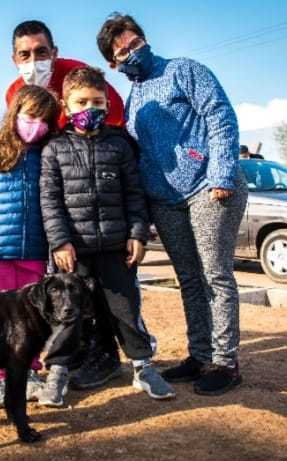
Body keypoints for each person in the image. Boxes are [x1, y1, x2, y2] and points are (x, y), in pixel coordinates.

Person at [98, 13, 248, 395]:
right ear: (113, 64)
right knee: (189, 280)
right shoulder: (132, 101)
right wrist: (146, 210)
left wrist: (222, 174)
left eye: (135, 44)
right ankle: (200, 355)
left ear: (144, 40)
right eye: (122, 52)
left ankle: (225, 363)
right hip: (165, 200)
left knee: (215, 274)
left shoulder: (184, 71)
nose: (132, 53)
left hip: (209, 188)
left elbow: (220, 116)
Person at [38, 67, 175, 406]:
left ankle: (143, 367)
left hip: (117, 248)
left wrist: (137, 234)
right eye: (81, 101)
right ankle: (57, 373)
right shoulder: (54, 148)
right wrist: (60, 241)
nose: (90, 108)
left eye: (97, 101)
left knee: (126, 310)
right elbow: (50, 200)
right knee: (68, 314)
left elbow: (134, 195)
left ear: (107, 104)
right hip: (74, 252)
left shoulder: (120, 146)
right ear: (65, 106)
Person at [0, 85, 58, 408]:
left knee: (32, 320)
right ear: (15, 113)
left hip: (35, 255)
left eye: (45, 119)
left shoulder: (49, 154)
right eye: (32, 115)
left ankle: (30, 374)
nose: (38, 124)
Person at [6, 20, 124, 128]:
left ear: (54, 54)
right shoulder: (13, 93)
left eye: (41, 52)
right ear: (15, 60)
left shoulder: (78, 73)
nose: (33, 61)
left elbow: (116, 116)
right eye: (24, 55)